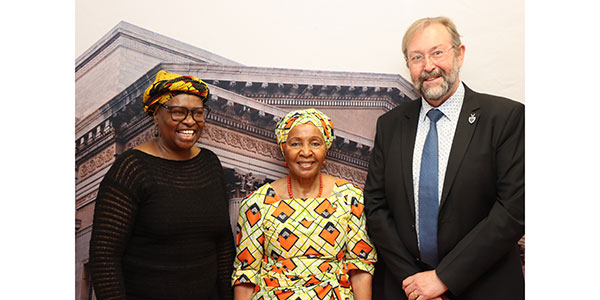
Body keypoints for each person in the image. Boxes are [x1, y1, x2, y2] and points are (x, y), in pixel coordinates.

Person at [364, 17, 524, 300]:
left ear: (459, 54)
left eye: (438, 52)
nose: (428, 66)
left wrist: (443, 278)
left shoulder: (505, 118)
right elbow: (376, 208)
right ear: (409, 65)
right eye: (417, 57)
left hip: (485, 286)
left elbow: (511, 211)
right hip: (406, 289)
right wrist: (414, 284)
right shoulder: (390, 126)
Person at [88, 70, 234, 300]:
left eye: (198, 113)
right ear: (156, 115)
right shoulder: (132, 169)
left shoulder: (210, 163)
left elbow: (223, 244)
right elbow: (105, 258)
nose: (190, 121)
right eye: (178, 112)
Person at [232, 108, 377, 300]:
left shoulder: (350, 198)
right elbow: (246, 275)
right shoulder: (257, 204)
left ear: (326, 148)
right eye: (296, 143)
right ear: (284, 148)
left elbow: (360, 267)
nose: (306, 152)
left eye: (315, 143)